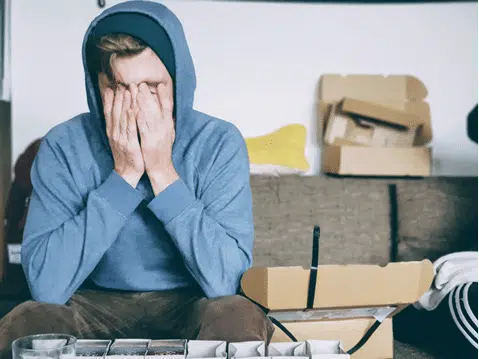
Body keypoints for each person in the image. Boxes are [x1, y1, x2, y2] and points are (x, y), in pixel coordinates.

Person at [0, 1, 274, 356]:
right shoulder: (63, 145)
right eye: (117, 87)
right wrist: (124, 175)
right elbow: (47, 287)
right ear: (96, 88)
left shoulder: (218, 142)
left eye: (152, 86)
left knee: (236, 315)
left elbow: (225, 282)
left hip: (190, 301)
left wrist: (163, 173)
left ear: (179, 81)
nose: (134, 106)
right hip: (92, 301)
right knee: (29, 321)